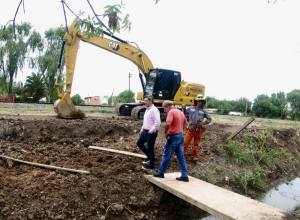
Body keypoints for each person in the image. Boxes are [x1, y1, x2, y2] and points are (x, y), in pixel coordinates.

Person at [152, 100, 189, 182]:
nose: (164, 111)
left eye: (164, 108)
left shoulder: (171, 112)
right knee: (181, 157)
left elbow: (168, 123)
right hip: (180, 136)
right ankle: (184, 175)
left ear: (168, 106)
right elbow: (186, 123)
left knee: (166, 155)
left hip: (173, 137)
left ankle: (161, 172)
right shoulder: (180, 112)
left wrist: (166, 133)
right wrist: (180, 130)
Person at [182, 94, 212, 161]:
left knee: (196, 144)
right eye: (199, 101)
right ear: (196, 101)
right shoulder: (190, 108)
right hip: (191, 128)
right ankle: (181, 155)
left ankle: (194, 156)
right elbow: (184, 113)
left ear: (203, 102)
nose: (200, 102)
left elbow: (209, 119)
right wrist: (183, 108)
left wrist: (203, 123)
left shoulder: (204, 111)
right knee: (186, 142)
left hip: (198, 129)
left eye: (201, 101)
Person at [136, 95, 161, 170]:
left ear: (150, 101)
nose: (145, 102)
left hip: (150, 133)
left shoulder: (154, 110)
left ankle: (151, 165)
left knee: (150, 148)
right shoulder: (147, 109)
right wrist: (141, 130)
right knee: (139, 143)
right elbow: (145, 122)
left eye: (146, 100)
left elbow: (158, 122)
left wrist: (152, 130)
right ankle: (149, 156)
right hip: (145, 131)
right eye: (144, 100)